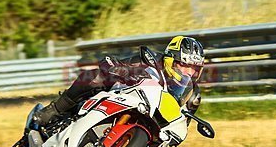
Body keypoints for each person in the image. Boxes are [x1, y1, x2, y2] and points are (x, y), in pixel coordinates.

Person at [34, 36, 206, 127]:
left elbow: (183, 123)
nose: (189, 72)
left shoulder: (192, 94)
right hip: (120, 97)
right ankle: (55, 109)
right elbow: (108, 61)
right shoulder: (150, 60)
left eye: (195, 68)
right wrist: (118, 69)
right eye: (185, 65)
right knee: (93, 77)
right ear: (171, 60)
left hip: (150, 125)